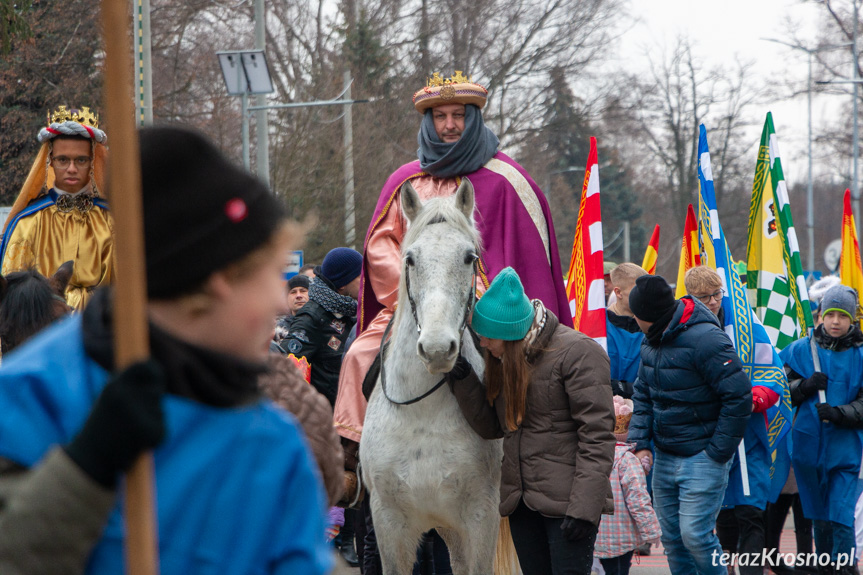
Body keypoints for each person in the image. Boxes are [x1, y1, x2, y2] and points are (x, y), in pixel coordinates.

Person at [0, 126, 332, 575]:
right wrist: (84, 471)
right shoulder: (29, 395)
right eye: (269, 277)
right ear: (221, 280)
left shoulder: (275, 445)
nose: (281, 301)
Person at [333, 71, 573, 575]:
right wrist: (419, 293)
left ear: (474, 118)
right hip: (416, 300)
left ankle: (516, 461)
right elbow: (382, 251)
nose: (448, 125)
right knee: (358, 354)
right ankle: (354, 463)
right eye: (439, 117)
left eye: (457, 116)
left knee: (505, 369)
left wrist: (478, 300)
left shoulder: (507, 179)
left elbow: (524, 261)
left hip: (483, 304)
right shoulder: (404, 181)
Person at [449, 267, 615, 575]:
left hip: (567, 505)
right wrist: (465, 382)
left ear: (508, 333)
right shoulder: (504, 361)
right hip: (521, 505)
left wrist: (584, 510)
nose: (482, 343)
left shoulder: (578, 352)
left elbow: (597, 437)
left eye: (486, 337)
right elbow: (494, 427)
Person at [628, 274, 751, 575]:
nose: (633, 321)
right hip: (665, 455)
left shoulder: (707, 338)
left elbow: (738, 397)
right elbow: (642, 395)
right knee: (672, 539)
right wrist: (641, 444)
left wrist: (716, 452)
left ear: (648, 315)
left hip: (703, 455)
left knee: (695, 536)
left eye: (636, 315)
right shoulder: (651, 340)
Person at [684, 266, 782, 575]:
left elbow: (773, 373)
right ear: (689, 296)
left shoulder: (748, 328)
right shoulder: (680, 331)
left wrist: (755, 398)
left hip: (749, 436)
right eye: (704, 297)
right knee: (723, 515)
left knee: (751, 512)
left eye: (716, 295)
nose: (712, 302)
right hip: (709, 439)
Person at [780, 284, 863, 575]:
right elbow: (778, 387)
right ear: (821, 316)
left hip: (846, 451)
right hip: (808, 450)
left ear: (852, 319)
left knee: (841, 515)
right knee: (819, 518)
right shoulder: (801, 351)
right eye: (831, 314)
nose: (836, 321)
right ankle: (826, 567)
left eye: (842, 315)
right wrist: (803, 386)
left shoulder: (861, 355)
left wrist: (840, 414)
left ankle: (845, 567)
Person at [0, 106, 113, 310]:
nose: (71, 168)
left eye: (80, 160)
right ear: (50, 161)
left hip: (102, 328)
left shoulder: (112, 221)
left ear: (92, 162)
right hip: (41, 328)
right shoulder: (27, 223)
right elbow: (12, 298)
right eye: (63, 160)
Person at [281, 247, 361, 407]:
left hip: (351, 414)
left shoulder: (351, 310)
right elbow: (285, 371)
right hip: (328, 420)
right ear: (343, 284)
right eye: (360, 275)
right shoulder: (312, 318)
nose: (365, 280)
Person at [594, 396, 661, 575]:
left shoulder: (591, 457)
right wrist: (651, 531)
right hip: (623, 537)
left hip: (595, 535)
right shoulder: (628, 460)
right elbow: (639, 499)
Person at [606, 263, 647, 399]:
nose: (643, 297)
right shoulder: (599, 327)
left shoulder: (651, 326)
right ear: (618, 293)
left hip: (642, 407)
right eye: (637, 292)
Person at [274, 273, 310, 341]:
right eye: (293, 292)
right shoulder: (278, 331)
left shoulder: (323, 324)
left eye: (303, 291)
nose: (298, 295)